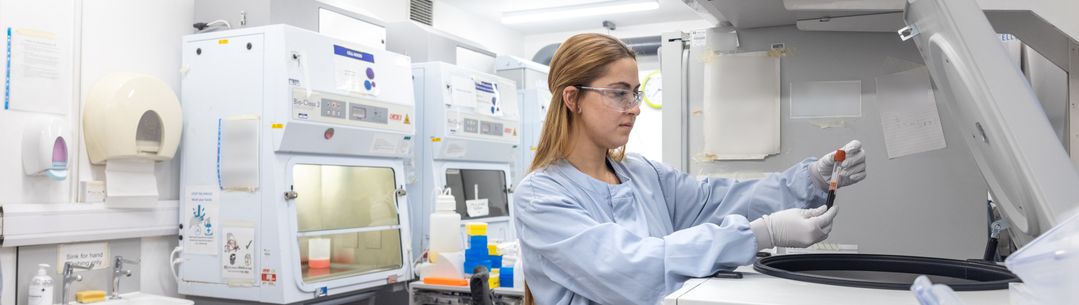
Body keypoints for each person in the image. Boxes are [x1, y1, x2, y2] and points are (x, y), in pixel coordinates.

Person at [513, 33, 867, 305]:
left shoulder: (643, 174)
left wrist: (808, 180)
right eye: (619, 93)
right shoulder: (540, 196)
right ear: (572, 98)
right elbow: (626, 269)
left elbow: (719, 199)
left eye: (635, 93)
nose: (634, 108)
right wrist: (757, 234)